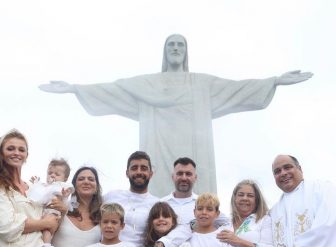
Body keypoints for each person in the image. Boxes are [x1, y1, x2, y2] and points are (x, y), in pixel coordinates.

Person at [39, 34, 313, 197]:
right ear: (164, 51)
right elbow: (114, 90)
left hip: (195, 145)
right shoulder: (146, 84)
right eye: (171, 45)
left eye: (180, 45)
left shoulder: (201, 84)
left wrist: (274, 81)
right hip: (157, 142)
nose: (175, 49)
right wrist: (75, 89)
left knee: (198, 191)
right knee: (157, 185)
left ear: (186, 52)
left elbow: (237, 88)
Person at [27, 158, 74, 247]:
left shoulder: (60, 186)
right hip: (44, 211)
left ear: (65, 178)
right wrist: (35, 182)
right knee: (39, 229)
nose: (52, 175)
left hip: (53, 212)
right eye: (50, 172)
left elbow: (67, 191)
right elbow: (38, 193)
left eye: (57, 174)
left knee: (46, 230)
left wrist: (65, 193)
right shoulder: (46, 186)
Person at [161, 157, 198, 224]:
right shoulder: (161, 204)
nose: (184, 178)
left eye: (188, 174)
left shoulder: (203, 204)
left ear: (195, 178)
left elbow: (222, 225)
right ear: (173, 177)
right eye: (180, 173)